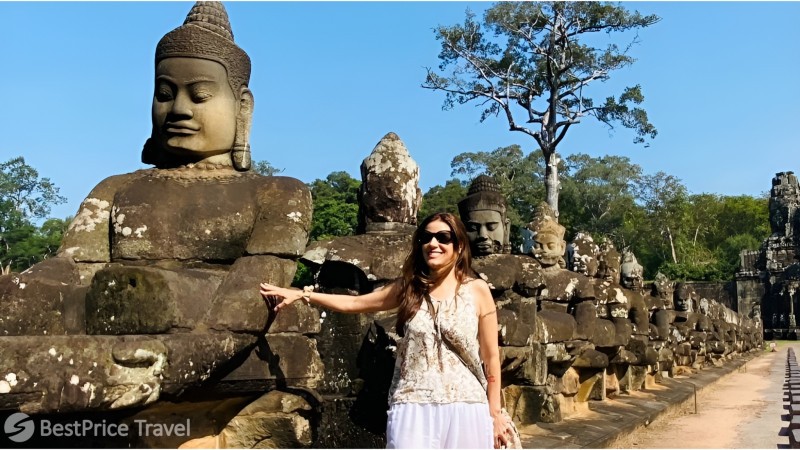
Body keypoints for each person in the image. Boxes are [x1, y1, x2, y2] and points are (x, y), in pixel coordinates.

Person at [260, 212, 514, 449]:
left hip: (466, 404)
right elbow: (355, 304)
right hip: (412, 402)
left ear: (459, 246)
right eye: (426, 237)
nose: (433, 243)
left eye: (443, 237)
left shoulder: (476, 290)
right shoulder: (409, 288)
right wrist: (302, 294)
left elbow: (491, 357)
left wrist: (495, 413)